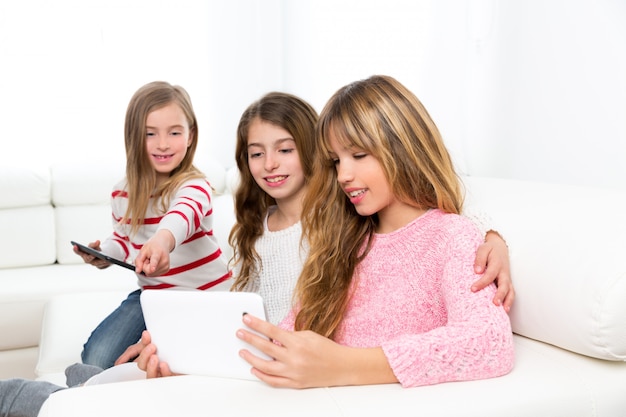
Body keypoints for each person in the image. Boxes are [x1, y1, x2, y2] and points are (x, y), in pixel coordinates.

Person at [137, 80, 514, 385]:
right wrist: (190, 357)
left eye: (358, 155)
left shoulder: (452, 236)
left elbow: (490, 342)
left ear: (402, 147)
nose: (344, 175)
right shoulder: (345, 243)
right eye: (335, 161)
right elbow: (284, 337)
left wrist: (344, 366)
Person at [73, 81, 232, 370]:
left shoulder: (196, 186)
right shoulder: (123, 193)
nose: (163, 144)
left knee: (188, 358)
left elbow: (182, 214)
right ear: (134, 137)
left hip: (205, 297)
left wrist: (162, 241)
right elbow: (123, 239)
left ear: (190, 136)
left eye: (174, 132)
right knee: (95, 358)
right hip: (153, 297)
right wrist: (103, 253)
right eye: (150, 134)